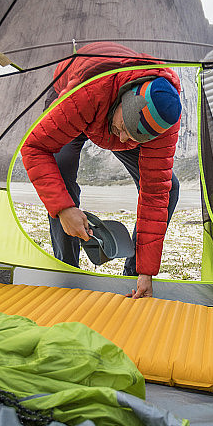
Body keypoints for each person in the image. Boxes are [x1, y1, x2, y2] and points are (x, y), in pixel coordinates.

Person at [21, 41, 182, 299]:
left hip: (107, 111)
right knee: (60, 176)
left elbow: (154, 193)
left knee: (169, 188)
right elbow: (35, 148)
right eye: (124, 128)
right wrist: (64, 209)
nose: (124, 140)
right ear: (123, 100)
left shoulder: (164, 122)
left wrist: (146, 271)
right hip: (78, 95)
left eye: (134, 138)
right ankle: (69, 273)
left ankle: (133, 276)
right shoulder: (87, 93)